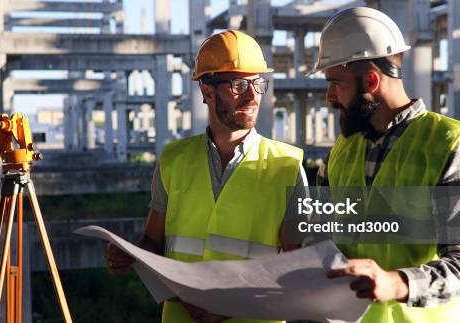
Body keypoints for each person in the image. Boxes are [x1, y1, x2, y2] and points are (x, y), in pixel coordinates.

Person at [106, 29, 308, 323]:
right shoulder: (174, 160)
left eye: (257, 83)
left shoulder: (286, 166)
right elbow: (153, 242)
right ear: (207, 91)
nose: (252, 96)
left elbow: (299, 270)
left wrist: (231, 306)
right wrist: (131, 255)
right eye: (239, 85)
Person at [309, 7, 460, 323]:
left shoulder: (450, 143)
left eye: (335, 82)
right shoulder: (341, 150)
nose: (328, 96)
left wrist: (397, 282)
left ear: (372, 80)